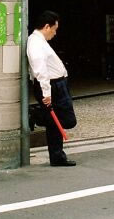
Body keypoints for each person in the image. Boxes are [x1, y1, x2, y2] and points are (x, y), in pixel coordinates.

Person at [27, 10, 77, 167]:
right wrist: (46, 93)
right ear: (47, 27)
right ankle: (35, 115)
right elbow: (39, 70)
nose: (55, 34)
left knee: (55, 124)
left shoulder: (39, 41)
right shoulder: (35, 43)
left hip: (56, 84)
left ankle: (57, 157)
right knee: (68, 120)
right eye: (54, 29)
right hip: (52, 86)